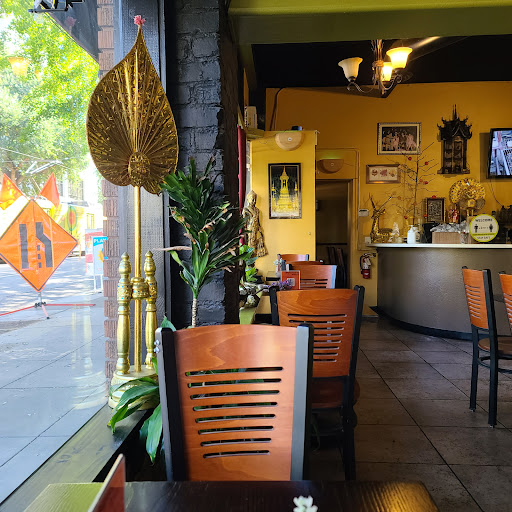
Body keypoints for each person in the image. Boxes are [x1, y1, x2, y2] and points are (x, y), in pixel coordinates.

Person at [243, 190, 268, 257]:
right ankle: (250, 257)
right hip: (249, 229)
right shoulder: (246, 210)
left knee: (256, 243)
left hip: (256, 229)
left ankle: (254, 256)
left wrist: (260, 228)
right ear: (248, 199)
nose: (254, 201)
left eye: (255, 199)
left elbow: (258, 221)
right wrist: (245, 230)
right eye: (252, 199)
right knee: (250, 243)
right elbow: (244, 222)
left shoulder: (257, 210)